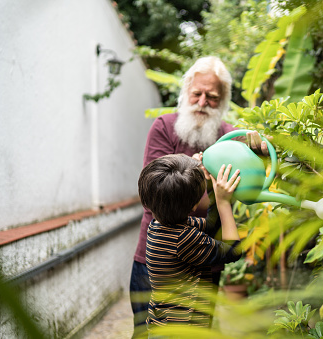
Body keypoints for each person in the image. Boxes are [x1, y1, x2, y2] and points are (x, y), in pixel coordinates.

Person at [130, 56, 268, 337]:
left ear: (223, 100)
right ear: (186, 93)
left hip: (204, 260)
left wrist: (261, 147)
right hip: (157, 262)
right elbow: (157, 189)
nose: (203, 101)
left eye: (212, 96)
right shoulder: (165, 127)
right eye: (197, 93)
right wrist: (193, 174)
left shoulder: (231, 137)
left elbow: (255, 166)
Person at [138, 154, 242, 336]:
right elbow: (233, 251)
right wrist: (224, 203)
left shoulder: (159, 225)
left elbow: (211, 225)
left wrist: (210, 185)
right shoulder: (183, 238)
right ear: (194, 205)